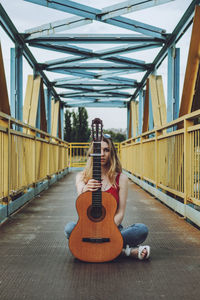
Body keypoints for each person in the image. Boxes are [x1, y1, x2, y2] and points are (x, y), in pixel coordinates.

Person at [64, 134, 150, 260]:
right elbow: (81, 200)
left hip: (112, 229)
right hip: (87, 228)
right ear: (92, 153)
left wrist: (106, 229)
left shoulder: (121, 179)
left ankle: (92, 248)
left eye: (106, 150)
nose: (102, 154)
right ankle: (124, 251)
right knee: (69, 228)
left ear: (112, 153)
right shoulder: (82, 177)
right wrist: (85, 189)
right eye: (98, 150)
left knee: (141, 229)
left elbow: (120, 213)